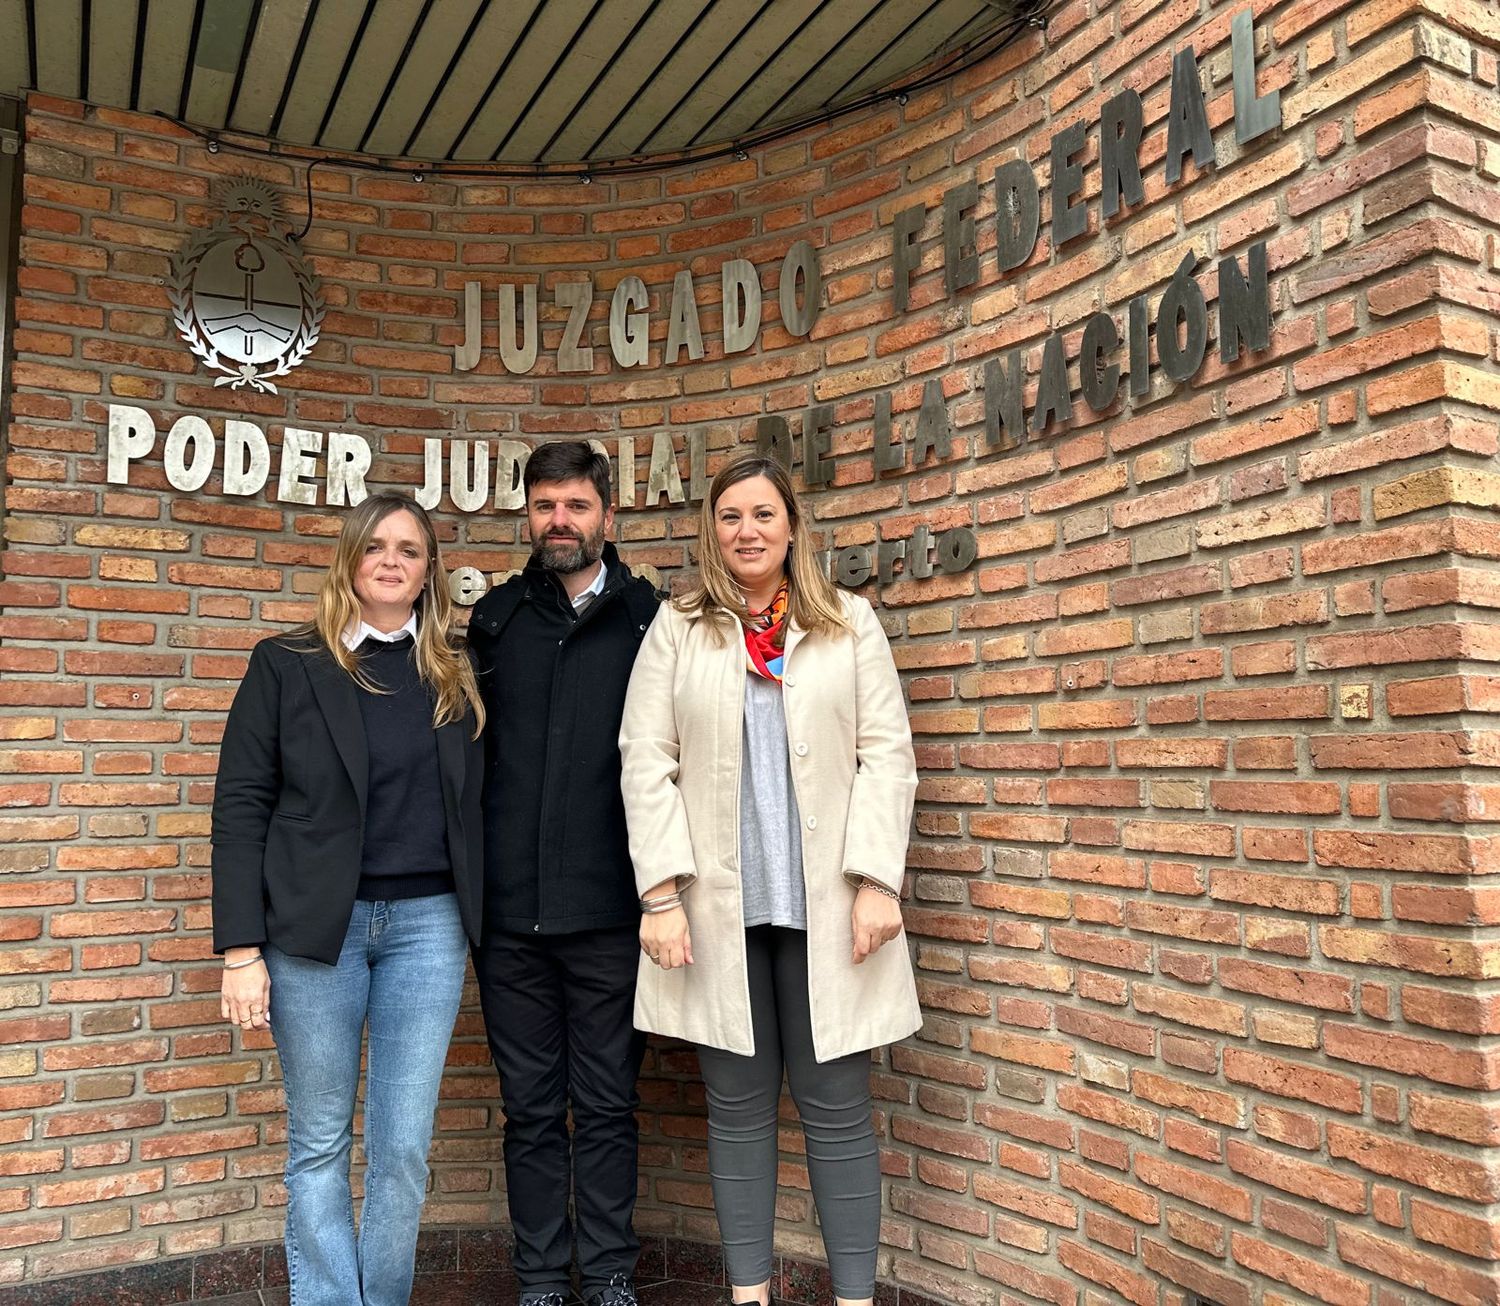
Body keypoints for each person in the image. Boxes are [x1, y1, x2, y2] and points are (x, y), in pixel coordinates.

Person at [619, 451, 921, 1306]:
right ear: (711, 531)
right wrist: (661, 894)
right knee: (738, 1112)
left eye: (762, 515)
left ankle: (854, 1299)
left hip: (829, 908)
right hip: (719, 911)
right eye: (729, 517)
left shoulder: (847, 623)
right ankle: (748, 1296)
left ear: (792, 526)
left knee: (836, 1110)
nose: (746, 531)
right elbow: (646, 762)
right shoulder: (679, 626)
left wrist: (876, 881)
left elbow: (886, 757)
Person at [212, 492, 485, 1306]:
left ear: (430, 569)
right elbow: (239, 806)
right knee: (321, 1141)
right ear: (351, 559)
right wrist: (241, 951)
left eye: (409, 549)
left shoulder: (455, 671)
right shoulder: (288, 663)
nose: (392, 561)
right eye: (377, 547)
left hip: (429, 930)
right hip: (314, 933)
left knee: (402, 1148)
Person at [466, 440, 661, 1306]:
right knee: (533, 1112)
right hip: (510, 919)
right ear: (528, 516)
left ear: (607, 516)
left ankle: (611, 1272)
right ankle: (542, 1278)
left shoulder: (651, 621)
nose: (560, 522)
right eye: (545, 506)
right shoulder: (497, 619)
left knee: (610, 1104)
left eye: (576, 505)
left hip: (616, 912)